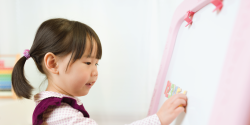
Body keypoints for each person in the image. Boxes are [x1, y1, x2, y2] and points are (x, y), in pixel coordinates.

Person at [11, 18, 187, 125]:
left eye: (97, 64)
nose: (95, 72)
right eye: (88, 62)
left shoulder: (55, 105)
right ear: (52, 63)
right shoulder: (59, 114)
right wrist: (158, 119)